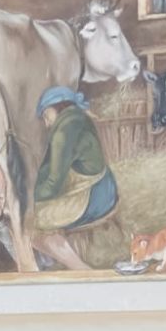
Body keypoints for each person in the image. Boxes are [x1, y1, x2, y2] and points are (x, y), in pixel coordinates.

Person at [29, 85, 118, 270]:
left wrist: (29, 197)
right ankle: (51, 260)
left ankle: (81, 269)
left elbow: (53, 184)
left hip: (94, 198)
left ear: (56, 107)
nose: (46, 123)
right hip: (106, 186)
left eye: (46, 115)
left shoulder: (62, 133)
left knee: (31, 221)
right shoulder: (78, 118)